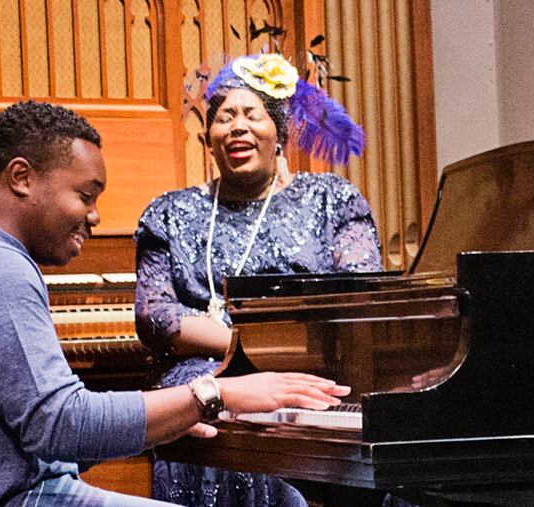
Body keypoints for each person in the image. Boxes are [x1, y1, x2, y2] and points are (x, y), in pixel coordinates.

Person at [0, 99, 352, 507]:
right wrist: (213, 395)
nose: (96, 216)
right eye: (85, 195)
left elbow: (39, 434)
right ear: (21, 177)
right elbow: (61, 425)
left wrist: (164, 422)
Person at [134, 53, 383, 506]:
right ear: (208, 139)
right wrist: (245, 352)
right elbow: (155, 315)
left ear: (280, 133)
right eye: (224, 117)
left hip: (312, 367)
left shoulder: (331, 199)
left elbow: (358, 294)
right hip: (205, 374)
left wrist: (280, 357)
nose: (237, 127)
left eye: (252, 114)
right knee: (223, 406)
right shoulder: (171, 211)